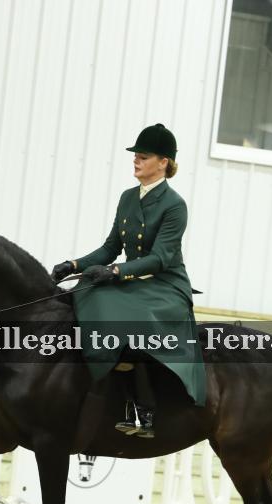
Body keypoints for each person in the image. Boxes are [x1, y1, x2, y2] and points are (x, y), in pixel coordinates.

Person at [50, 123, 205, 438]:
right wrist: (73, 264)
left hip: (165, 284)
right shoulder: (127, 197)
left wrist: (116, 272)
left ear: (163, 162)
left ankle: (144, 406)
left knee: (116, 308)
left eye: (143, 157)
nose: (136, 161)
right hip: (133, 281)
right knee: (87, 290)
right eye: (136, 156)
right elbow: (110, 248)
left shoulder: (175, 205)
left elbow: (160, 258)